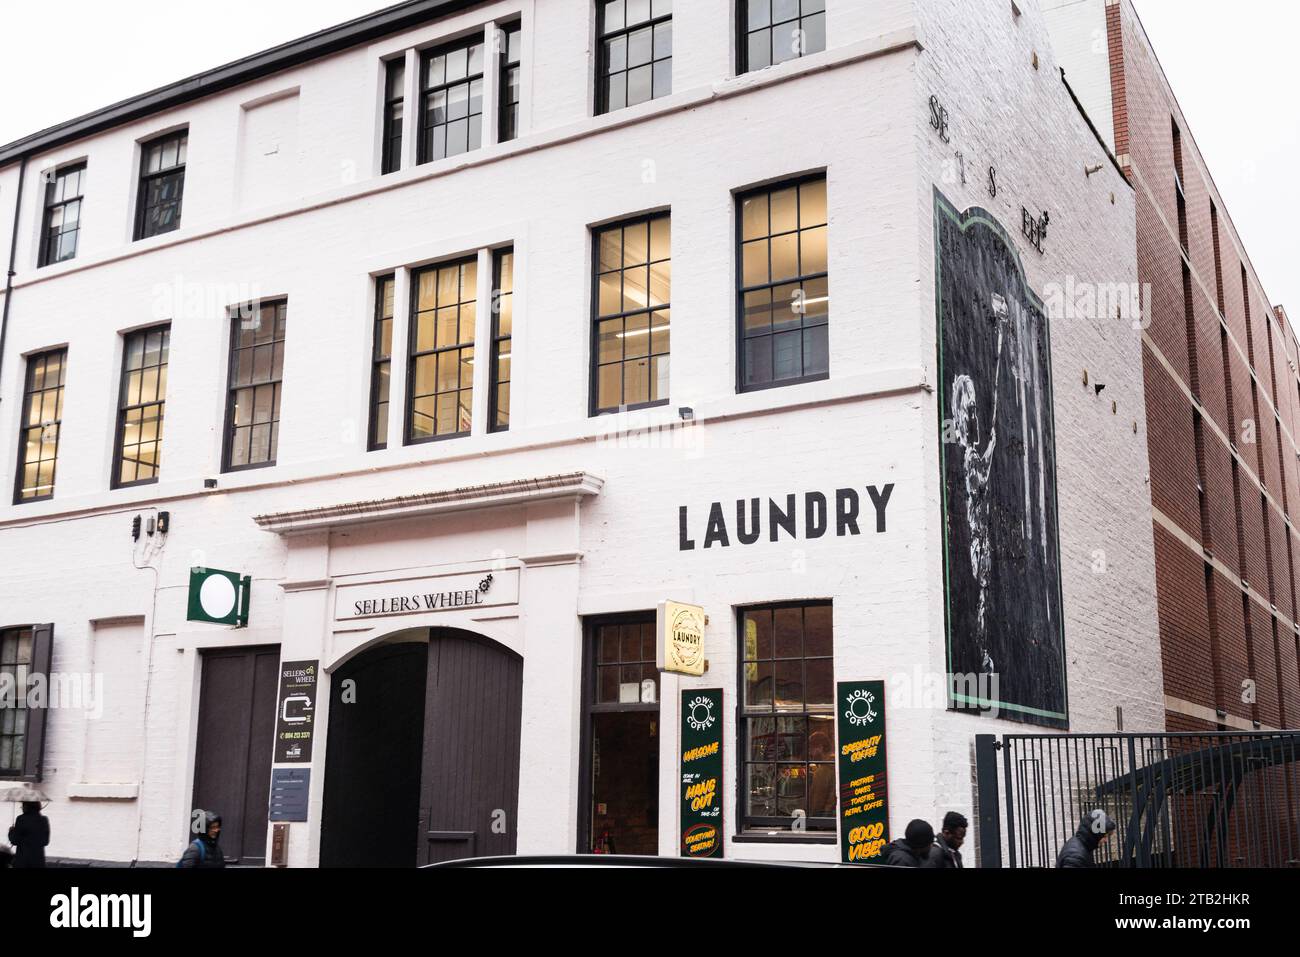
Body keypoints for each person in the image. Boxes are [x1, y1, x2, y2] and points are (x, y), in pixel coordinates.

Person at [8, 801, 50, 868]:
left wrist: (11, 832)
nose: (22, 808)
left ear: (26, 807)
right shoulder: (44, 820)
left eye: (22, 806)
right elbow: (45, 841)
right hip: (38, 861)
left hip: (22, 861)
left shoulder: (21, 819)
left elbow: (14, 840)